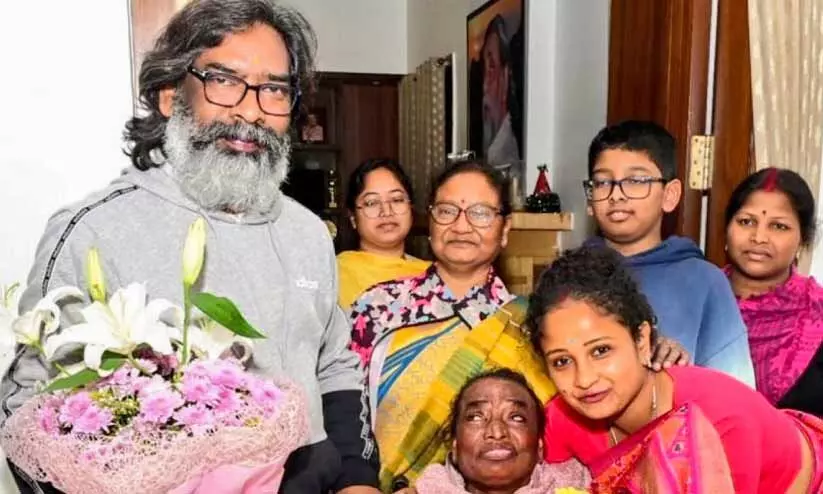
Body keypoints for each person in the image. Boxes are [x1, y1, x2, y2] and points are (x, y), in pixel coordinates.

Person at [1, 1, 379, 493]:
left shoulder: (308, 232)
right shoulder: (95, 230)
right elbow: (28, 409)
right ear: (169, 95)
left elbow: (333, 366)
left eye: (274, 89)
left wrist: (357, 480)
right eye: (223, 80)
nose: (251, 111)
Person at [349, 160, 685, 491]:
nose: (462, 226)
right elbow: (345, 406)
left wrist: (656, 353)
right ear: (431, 219)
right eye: (447, 211)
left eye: (480, 213)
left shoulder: (531, 323)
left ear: (505, 229)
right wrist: (357, 482)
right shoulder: (377, 306)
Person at [528, 245, 823, 493]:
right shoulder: (563, 419)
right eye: (562, 361)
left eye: (601, 351)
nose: (584, 379)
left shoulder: (718, 424)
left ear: (642, 340)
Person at [583, 120, 755, 386]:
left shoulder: (704, 282)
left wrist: (678, 372)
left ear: (670, 195)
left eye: (636, 180)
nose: (616, 195)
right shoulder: (567, 277)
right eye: (603, 182)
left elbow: (734, 393)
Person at [725, 167, 823, 415]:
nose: (759, 237)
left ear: (803, 240)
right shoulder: (695, 298)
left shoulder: (818, 314)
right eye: (746, 222)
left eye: (778, 226)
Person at [412, 368, 591, 494]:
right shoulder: (426, 490)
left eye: (516, 418)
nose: (496, 432)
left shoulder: (583, 485)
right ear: (455, 447)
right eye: (476, 417)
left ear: (539, 447)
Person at [337, 159, 429, 309]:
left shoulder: (432, 276)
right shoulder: (335, 276)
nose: (386, 212)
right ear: (353, 218)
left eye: (397, 200)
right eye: (371, 203)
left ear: (411, 209)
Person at [480, 15, 519, 165]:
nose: (484, 85)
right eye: (484, 69)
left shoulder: (512, 149)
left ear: (505, 76)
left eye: (491, 67)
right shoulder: (489, 145)